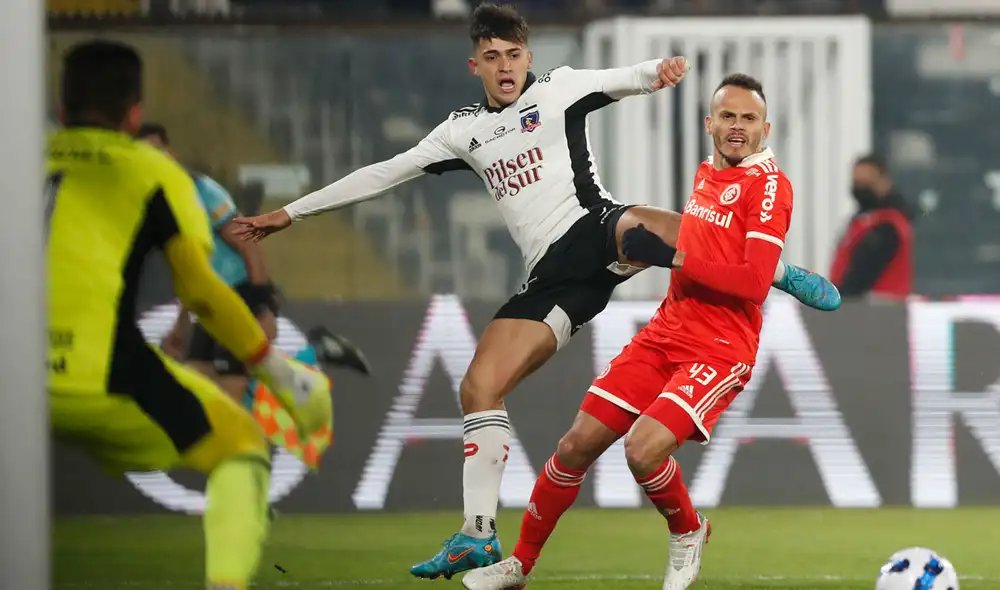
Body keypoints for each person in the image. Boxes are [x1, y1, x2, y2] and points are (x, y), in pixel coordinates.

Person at [233, 3, 840, 580]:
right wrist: (291, 213)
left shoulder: (558, 89)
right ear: (475, 65)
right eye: (491, 55)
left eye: (513, 53)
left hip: (598, 232)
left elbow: (624, 77)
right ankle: (477, 531)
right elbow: (382, 173)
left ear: (528, 57)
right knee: (479, 385)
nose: (504, 66)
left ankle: (776, 271)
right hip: (552, 280)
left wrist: (660, 72)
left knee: (646, 228)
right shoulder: (460, 133)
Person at [462, 73, 795, 590]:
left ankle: (688, 531)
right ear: (709, 124)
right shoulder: (709, 172)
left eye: (748, 119)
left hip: (721, 346)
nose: (736, 127)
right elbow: (715, 247)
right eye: (727, 116)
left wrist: (672, 256)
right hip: (667, 332)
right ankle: (519, 567)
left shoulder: (769, 185)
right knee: (574, 446)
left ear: (764, 127)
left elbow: (752, 284)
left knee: (642, 450)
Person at [46, 40, 331, 590]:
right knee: (241, 446)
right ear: (134, 113)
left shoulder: (20, 158)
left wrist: (258, 297)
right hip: (100, 374)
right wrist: (277, 367)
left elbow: (234, 260)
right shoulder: (159, 177)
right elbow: (200, 289)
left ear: (60, 108)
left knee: (214, 385)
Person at [136, 123, 372, 406]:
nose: (155, 159)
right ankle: (317, 352)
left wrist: (261, 303)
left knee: (233, 386)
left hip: (240, 293)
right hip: (212, 300)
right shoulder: (158, 202)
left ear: (170, 152)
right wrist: (182, 320)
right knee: (198, 377)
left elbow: (246, 242)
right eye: (146, 154)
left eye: (158, 150)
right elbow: (194, 268)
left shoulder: (199, 190)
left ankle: (314, 354)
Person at [828, 153, 914, 300]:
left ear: (884, 182)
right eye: (857, 183)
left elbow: (860, 277)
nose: (861, 189)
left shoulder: (886, 226)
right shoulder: (862, 222)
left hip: (875, 312)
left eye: (867, 183)